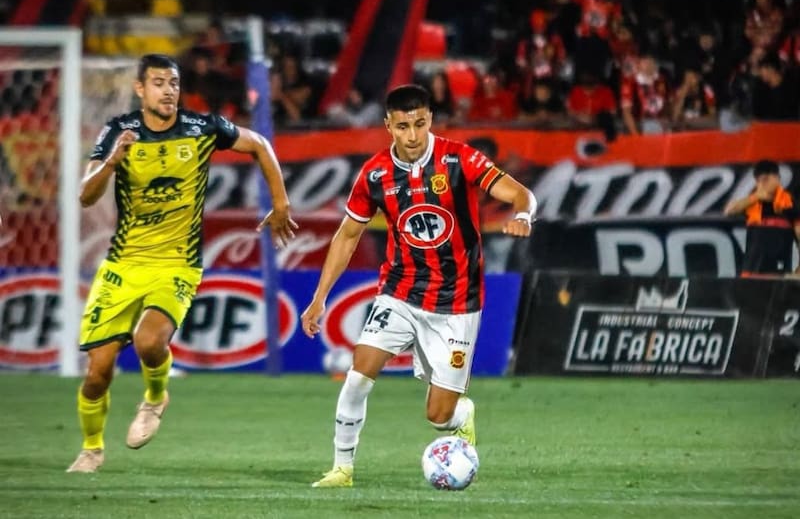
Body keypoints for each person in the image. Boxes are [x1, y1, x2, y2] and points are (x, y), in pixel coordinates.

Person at [66, 54, 297, 473]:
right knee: (98, 372)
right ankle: (91, 448)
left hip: (177, 265)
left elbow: (260, 145)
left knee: (149, 341)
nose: (168, 90)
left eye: (173, 82)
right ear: (140, 89)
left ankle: (155, 397)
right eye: (158, 82)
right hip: (123, 265)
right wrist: (112, 163)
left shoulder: (202, 127)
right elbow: (85, 195)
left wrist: (280, 203)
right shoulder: (118, 132)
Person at [300, 84, 536, 488]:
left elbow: (519, 193)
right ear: (388, 125)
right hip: (401, 291)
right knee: (359, 372)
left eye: (421, 124)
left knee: (438, 416)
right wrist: (318, 298)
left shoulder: (458, 159)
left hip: (457, 301)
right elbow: (347, 236)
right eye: (403, 126)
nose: (412, 136)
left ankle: (462, 415)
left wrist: (525, 216)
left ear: (431, 120)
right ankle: (342, 468)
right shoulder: (374, 174)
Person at [724, 160, 800, 277]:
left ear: (777, 179)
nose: (763, 184)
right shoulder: (752, 203)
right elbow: (729, 211)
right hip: (751, 273)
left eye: (766, 179)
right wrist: (757, 196)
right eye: (759, 181)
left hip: (779, 276)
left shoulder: (789, 203)